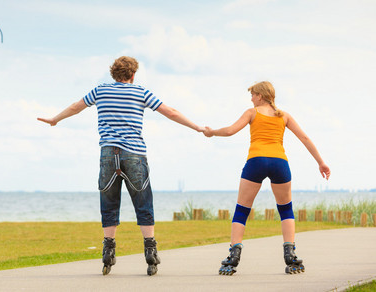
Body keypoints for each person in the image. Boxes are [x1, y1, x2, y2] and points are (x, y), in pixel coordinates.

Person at [38, 56, 204, 276]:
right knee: (143, 202)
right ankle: (150, 252)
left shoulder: (100, 91)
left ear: (113, 74)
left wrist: (55, 119)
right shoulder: (141, 92)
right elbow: (170, 112)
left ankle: (108, 252)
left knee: (109, 202)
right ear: (133, 75)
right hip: (135, 154)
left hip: (108, 153)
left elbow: (75, 107)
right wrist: (197, 127)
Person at [203, 81, 330, 275]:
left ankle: (233, 257)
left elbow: (229, 131)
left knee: (242, 210)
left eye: (253, 95)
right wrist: (321, 162)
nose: (251, 99)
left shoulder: (251, 113)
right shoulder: (284, 116)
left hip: (256, 161)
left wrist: (212, 133)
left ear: (260, 96)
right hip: (280, 163)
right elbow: (304, 138)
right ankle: (290, 255)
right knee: (286, 209)